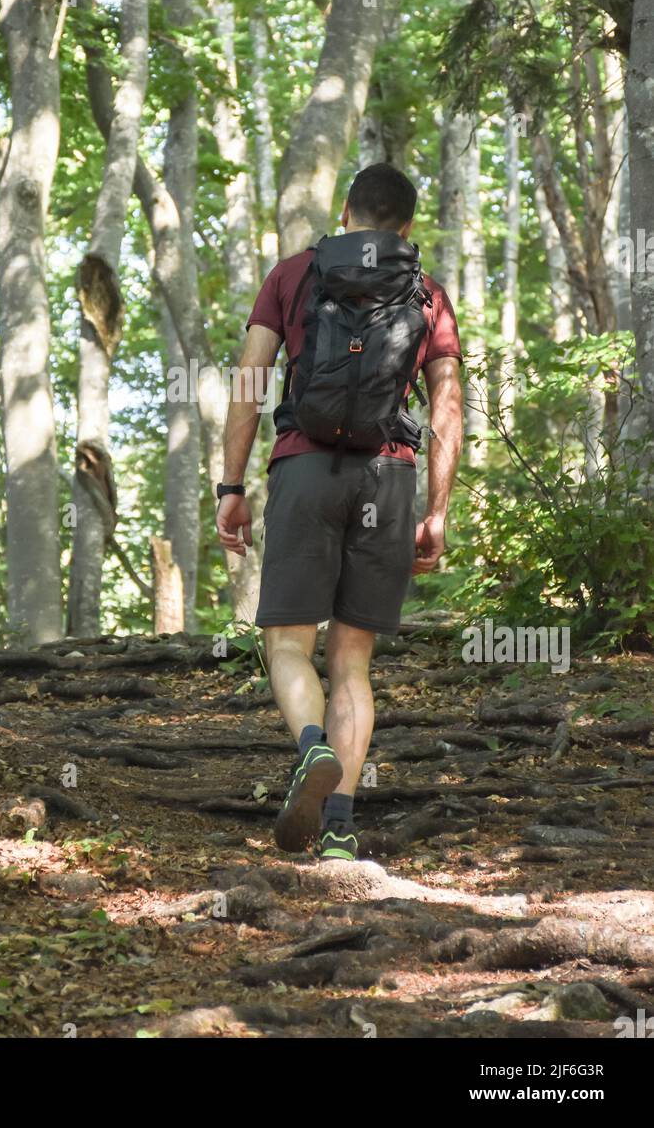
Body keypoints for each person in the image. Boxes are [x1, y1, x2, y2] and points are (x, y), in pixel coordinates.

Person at [215, 163, 464, 861]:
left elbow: (250, 382)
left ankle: (309, 747)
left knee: (289, 645)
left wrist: (229, 487)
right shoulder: (427, 294)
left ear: (344, 210)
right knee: (351, 663)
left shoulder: (293, 274)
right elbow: (447, 407)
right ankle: (340, 833)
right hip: (388, 478)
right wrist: (436, 511)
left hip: (304, 468)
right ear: (406, 227)